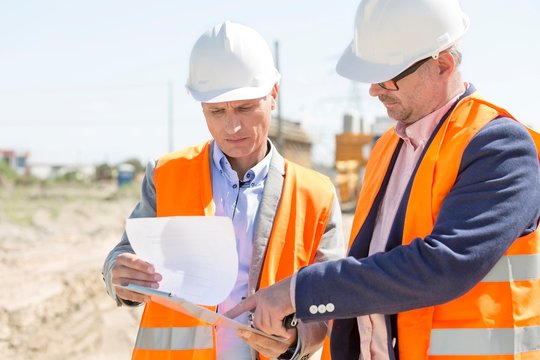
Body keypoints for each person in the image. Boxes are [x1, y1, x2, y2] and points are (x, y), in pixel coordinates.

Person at [225, 0, 540, 359]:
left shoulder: (500, 147)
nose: (374, 90)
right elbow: (373, 277)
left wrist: (300, 291)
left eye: (387, 76)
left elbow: (444, 265)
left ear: (443, 64)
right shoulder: (388, 148)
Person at [102, 21, 345, 360]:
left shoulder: (316, 194)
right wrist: (118, 273)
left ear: (273, 94)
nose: (231, 126)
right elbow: (124, 254)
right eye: (216, 111)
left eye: (245, 108)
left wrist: (294, 340)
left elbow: (333, 301)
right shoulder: (166, 174)